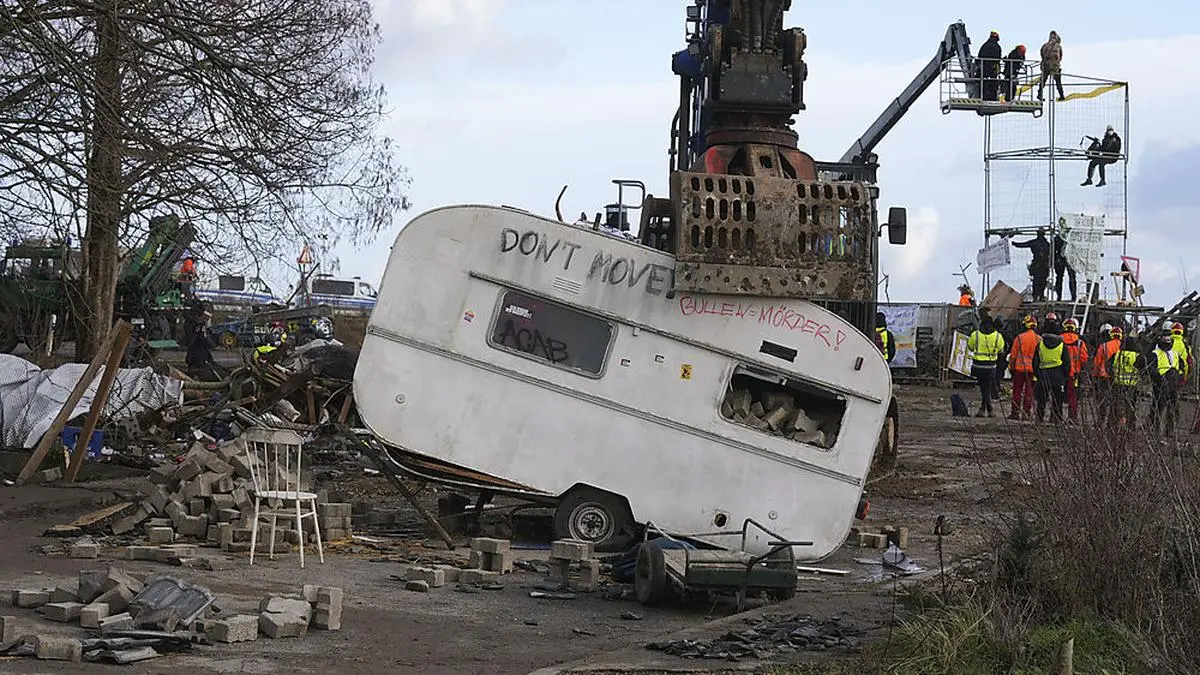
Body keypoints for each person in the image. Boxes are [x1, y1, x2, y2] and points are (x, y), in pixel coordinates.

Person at [1033, 316, 1071, 423]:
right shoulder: (1062, 345)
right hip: (1058, 375)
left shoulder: (1040, 345)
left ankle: (1039, 418)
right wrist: (1065, 376)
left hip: (1044, 375)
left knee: (1042, 400)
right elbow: (1067, 362)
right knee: (1057, 400)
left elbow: (1035, 361)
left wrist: (1038, 374)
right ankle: (1056, 418)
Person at [968, 316, 1006, 417]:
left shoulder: (975, 335)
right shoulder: (998, 336)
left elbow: (970, 347)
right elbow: (1001, 350)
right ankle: (987, 409)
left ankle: (985, 408)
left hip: (978, 366)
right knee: (987, 387)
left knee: (983, 388)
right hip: (990, 367)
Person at [1148, 333, 1183, 436]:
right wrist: (1159, 377)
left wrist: (1179, 377)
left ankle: (1170, 430)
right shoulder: (1155, 353)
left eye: (1168, 341)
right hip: (1160, 384)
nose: (1167, 343)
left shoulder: (1175, 353)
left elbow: (1180, 366)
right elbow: (1151, 368)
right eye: (1165, 341)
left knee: (1173, 409)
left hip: (1173, 384)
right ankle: (1155, 430)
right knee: (1158, 408)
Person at [1108, 334, 1145, 430]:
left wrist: (1113, 376)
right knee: (1130, 408)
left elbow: (1108, 366)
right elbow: (1144, 369)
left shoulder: (1117, 355)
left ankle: (1111, 426)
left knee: (1114, 407)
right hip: (1131, 386)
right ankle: (1130, 427)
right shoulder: (1137, 356)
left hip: (1117, 384)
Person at [1008, 314, 1041, 420]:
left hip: (1019, 368)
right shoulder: (1039, 339)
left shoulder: (1019, 338)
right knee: (1029, 391)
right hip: (1033, 370)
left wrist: (1011, 367)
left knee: (1017, 390)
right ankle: (1027, 413)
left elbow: (1013, 355)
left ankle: (1015, 412)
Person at [1060, 318, 1089, 422]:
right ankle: (1073, 417)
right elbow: (1084, 358)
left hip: (1060, 372)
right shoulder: (1080, 342)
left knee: (1057, 394)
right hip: (1074, 374)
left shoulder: (1059, 339)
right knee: (1073, 396)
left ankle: (1055, 417)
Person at [1011, 229, 1051, 301]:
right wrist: (1015, 244)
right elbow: (1024, 244)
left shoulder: (1046, 244)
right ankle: (1037, 296)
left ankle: (1039, 296)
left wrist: (1015, 244)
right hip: (1039, 265)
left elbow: (1024, 244)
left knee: (1040, 282)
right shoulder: (1043, 243)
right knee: (1039, 282)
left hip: (1042, 265)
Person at [185, 310, 217, 379]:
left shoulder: (199, 328)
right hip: (198, 358)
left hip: (195, 356)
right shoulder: (200, 329)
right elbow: (206, 341)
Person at [1038, 30, 1065, 102]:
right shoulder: (1058, 46)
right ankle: (1061, 95)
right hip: (1055, 66)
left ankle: (1039, 94)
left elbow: (1041, 54)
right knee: (1058, 81)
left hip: (1046, 65)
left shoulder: (1044, 45)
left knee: (1043, 80)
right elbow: (1060, 56)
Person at [978, 31, 1003, 101]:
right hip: (992, 68)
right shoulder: (997, 46)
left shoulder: (985, 45)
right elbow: (998, 58)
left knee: (984, 82)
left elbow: (980, 56)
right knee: (993, 82)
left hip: (984, 68)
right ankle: (992, 96)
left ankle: (983, 96)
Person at [1052, 234, 1077, 303]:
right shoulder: (1071, 237)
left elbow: (1053, 250)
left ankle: (1072, 296)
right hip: (1063, 258)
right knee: (1066, 278)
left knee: (1068, 278)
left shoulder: (1058, 238)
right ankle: (1070, 296)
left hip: (1065, 258)